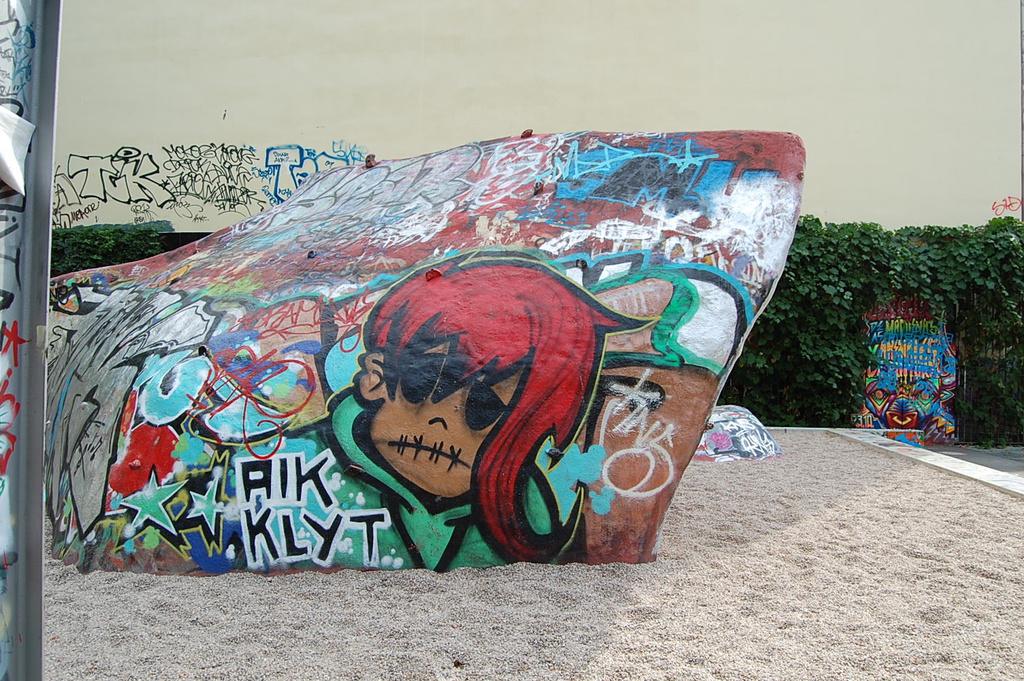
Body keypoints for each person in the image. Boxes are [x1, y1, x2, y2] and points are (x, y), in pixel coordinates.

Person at [326, 251, 644, 569]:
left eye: (483, 406)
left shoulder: (532, 520)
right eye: (421, 384)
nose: (441, 418)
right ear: (377, 377)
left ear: (524, 426)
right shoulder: (314, 468)